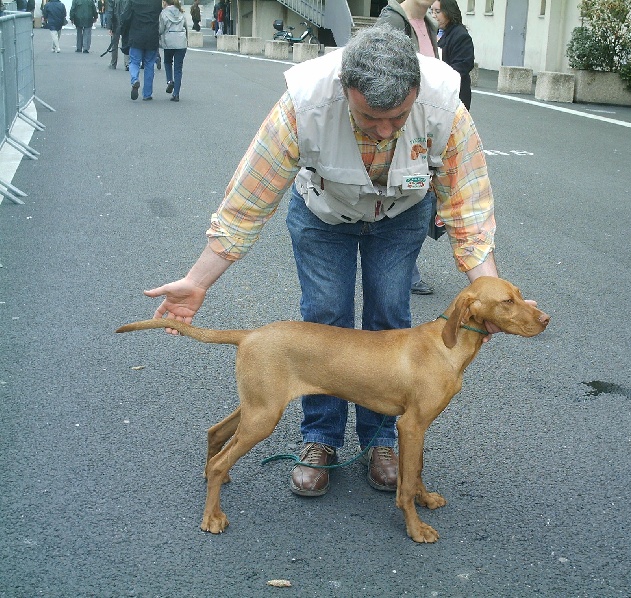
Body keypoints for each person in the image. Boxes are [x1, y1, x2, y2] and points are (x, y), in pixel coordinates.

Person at [141, 25, 502, 498]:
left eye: (398, 115)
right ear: (344, 90)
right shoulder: (303, 104)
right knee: (324, 320)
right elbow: (248, 202)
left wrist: (490, 296)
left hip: (401, 215)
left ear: (416, 89)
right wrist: (198, 280)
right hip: (322, 214)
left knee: (389, 319)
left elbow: (470, 213)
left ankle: (381, 440)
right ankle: (321, 440)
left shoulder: (445, 107)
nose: (386, 129)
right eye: (370, 116)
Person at [377, 0, 441, 296]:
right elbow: (379, 85)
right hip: (395, 120)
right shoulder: (392, 19)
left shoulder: (430, 24)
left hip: (421, 121)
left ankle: (403, 269)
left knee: (417, 191)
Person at [432, 0, 474, 109]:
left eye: (437, 12)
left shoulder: (461, 35)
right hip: (436, 93)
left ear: (448, 11)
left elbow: (463, 65)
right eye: (431, 11)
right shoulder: (434, 31)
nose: (433, 16)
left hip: (454, 94)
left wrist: (440, 75)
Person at [122, 0, 161, 100]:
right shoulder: (157, 2)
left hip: (136, 35)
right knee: (149, 64)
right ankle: (147, 94)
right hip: (152, 35)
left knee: (134, 62)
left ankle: (135, 80)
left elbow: (125, 17)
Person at [159, 0, 187, 102]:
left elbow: (161, 29)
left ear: (166, 2)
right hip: (181, 42)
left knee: (167, 62)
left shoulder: (164, 13)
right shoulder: (181, 12)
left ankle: (170, 81)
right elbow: (186, 27)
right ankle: (176, 94)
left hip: (169, 41)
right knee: (178, 68)